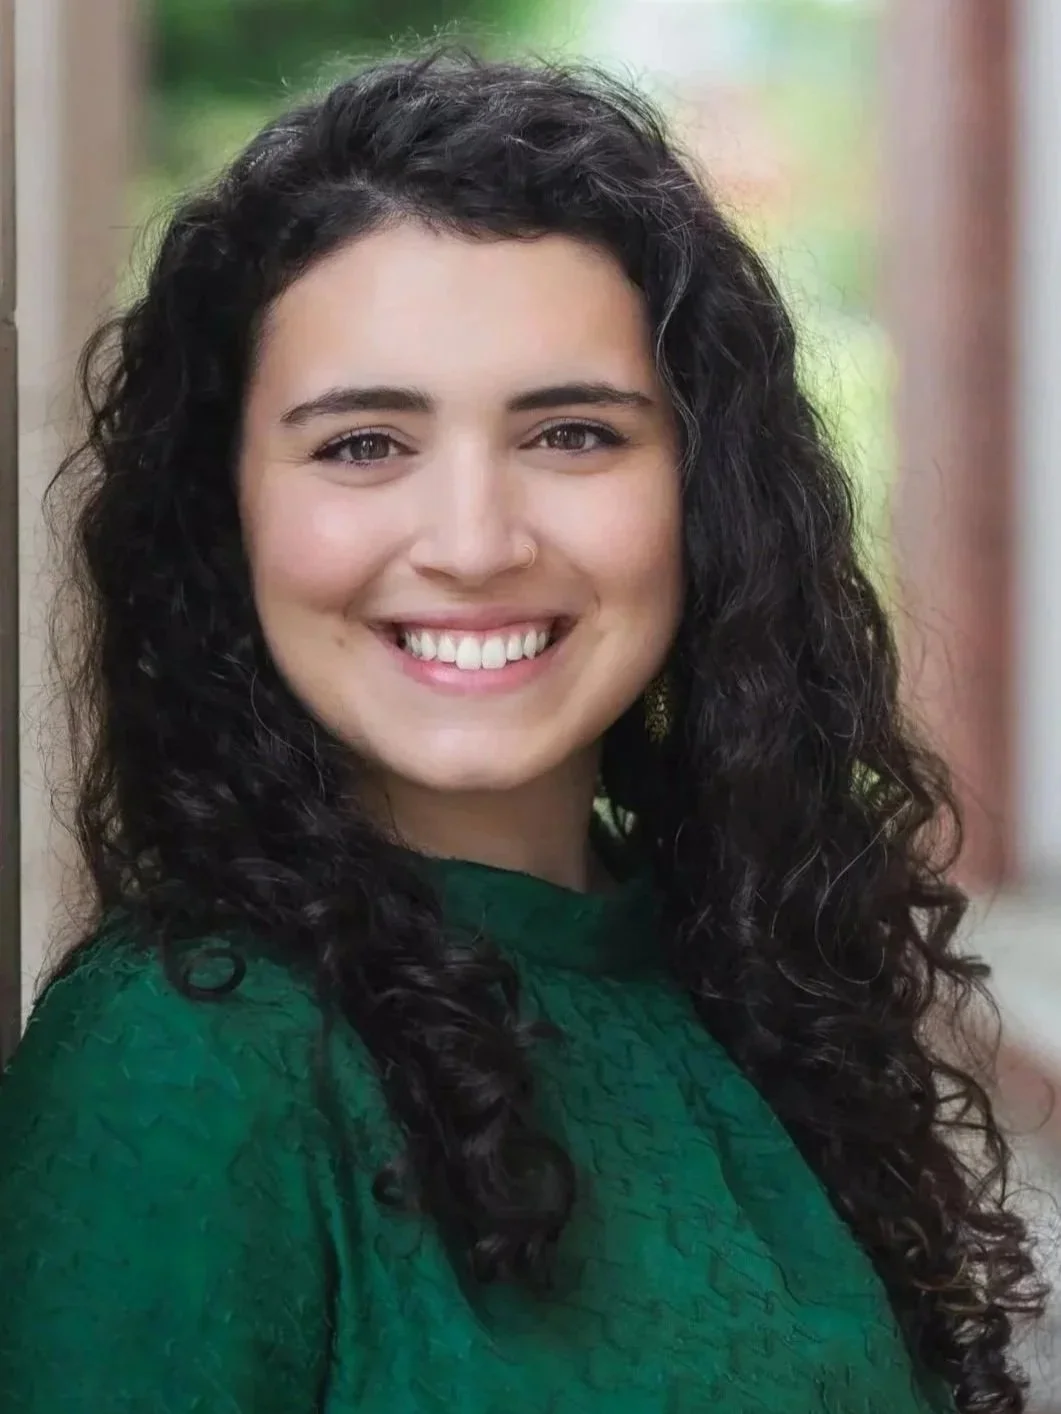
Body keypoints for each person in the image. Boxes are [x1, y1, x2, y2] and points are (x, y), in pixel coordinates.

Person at [0, 47, 1042, 1414]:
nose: (477, 542)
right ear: (225, 515)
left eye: (571, 434)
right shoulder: (187, 1056)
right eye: (364, 443)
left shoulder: (740, 969)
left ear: (702, 493)